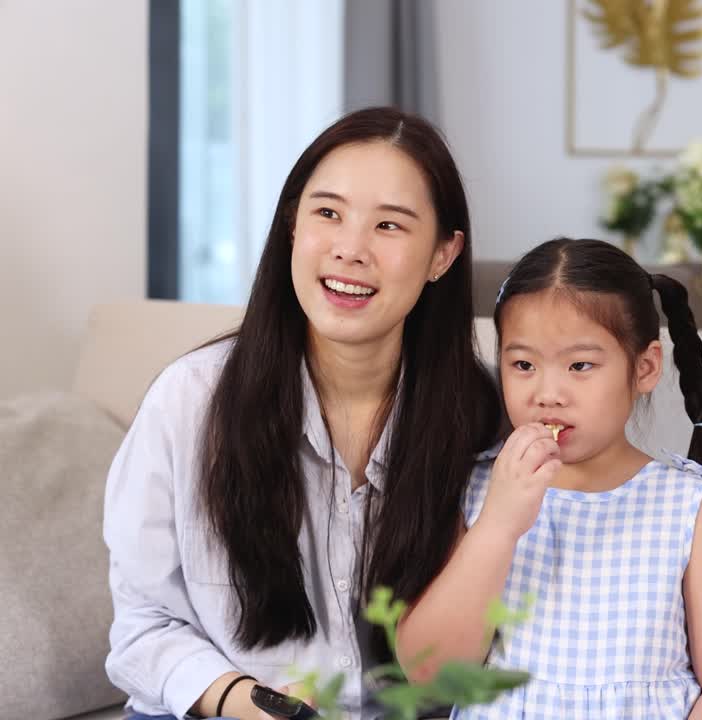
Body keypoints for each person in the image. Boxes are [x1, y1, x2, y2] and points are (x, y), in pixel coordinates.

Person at [104, 107, 501, 720]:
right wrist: (250, 702)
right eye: (328, 213)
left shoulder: (487, 417)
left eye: (389, 225)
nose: (350, 250)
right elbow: (142, 627)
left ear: (442, 256)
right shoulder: (189, 400)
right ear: (293, 224)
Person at [397, 238, 702, 719]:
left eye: (580, 365)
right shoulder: (476, 490)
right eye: (523, 365)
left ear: (645, 368)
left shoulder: (691, 510)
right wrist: (498, 526)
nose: (548, 393)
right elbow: (429, 675)